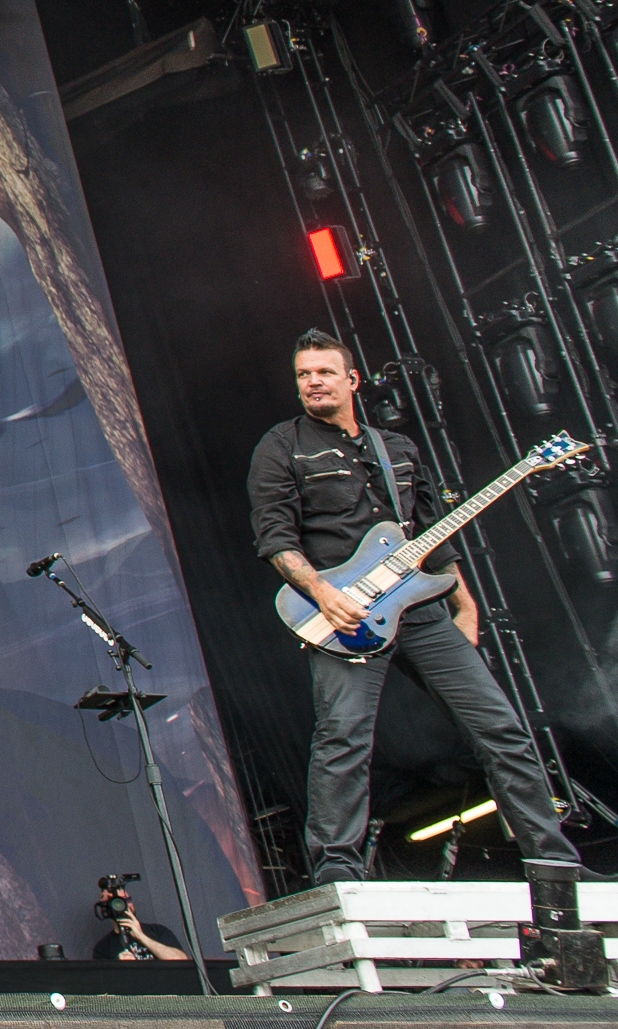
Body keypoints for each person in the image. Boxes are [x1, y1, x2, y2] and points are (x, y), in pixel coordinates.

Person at [248, 330, 592, 885]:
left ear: (352, 380)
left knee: (501, 729)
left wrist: (464, 604)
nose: (313, 382)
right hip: (346, 616)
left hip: (420, 611)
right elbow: (274, 537)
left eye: (324, 372)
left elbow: (433, 533)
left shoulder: (396, 449)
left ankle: (554, 864)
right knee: (344, 736)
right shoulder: (282, 445)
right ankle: (338, 868)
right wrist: (325, 595)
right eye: (304, 375)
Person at [89, 884, 186, 961]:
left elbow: (181, 961)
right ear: (103, 909)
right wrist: (119, 967)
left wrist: (141, 936)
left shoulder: (158, 931)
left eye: (125, 900)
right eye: (115, 902)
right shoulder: (102, 948)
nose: (122, 906)